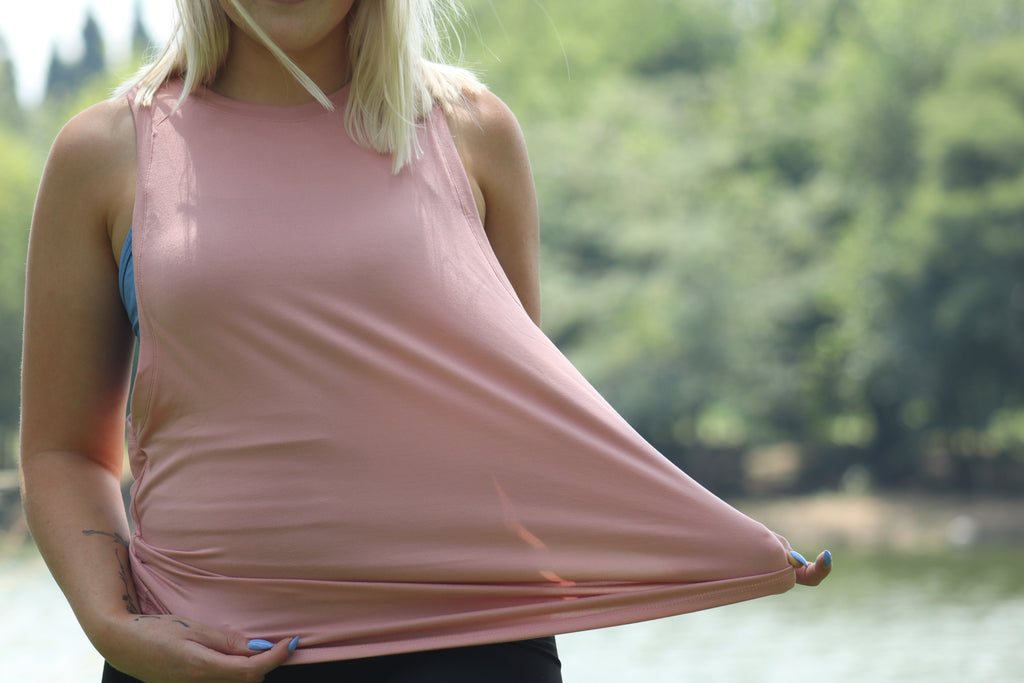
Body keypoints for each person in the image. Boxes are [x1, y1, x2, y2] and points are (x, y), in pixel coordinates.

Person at [20, 1, 832, 681]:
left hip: (471, 650)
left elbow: (517, 419)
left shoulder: (472, 132)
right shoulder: (105, 153)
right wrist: (110, 623)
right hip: (200, 657)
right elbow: (63, 451)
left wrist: (712, 544)